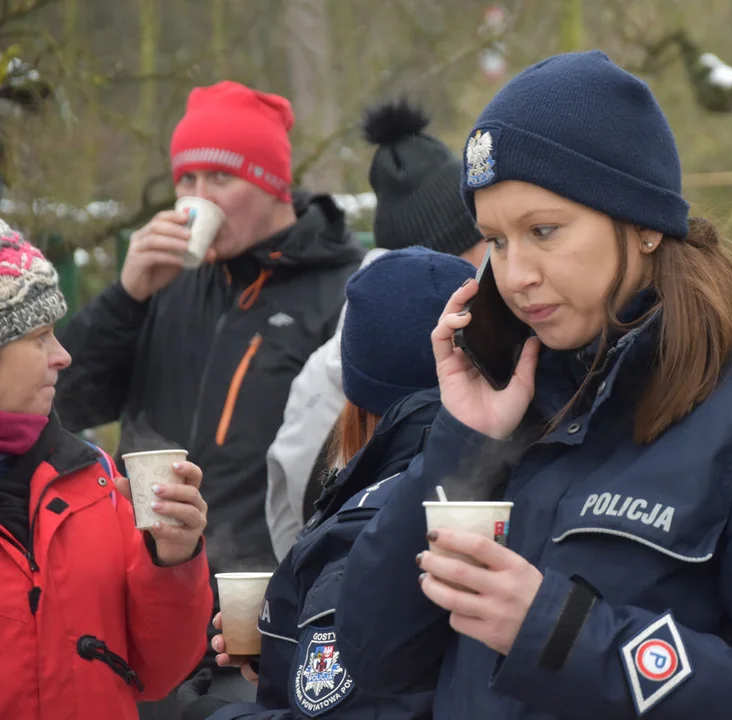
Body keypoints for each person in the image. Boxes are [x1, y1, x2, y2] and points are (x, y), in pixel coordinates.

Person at [334, 50, 732, 719]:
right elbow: (371, 660)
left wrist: (561, 633)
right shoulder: (513, 398)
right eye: (496, 241)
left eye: (543, 231)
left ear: (642, 224)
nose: (515, 276)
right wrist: (461, 443)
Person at [53, 81, 365, 715]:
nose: (195, 200)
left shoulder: (342, 290)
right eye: (185, 180)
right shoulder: (166, 284)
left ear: (273, 185)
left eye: (218, 179)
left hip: (258, 614)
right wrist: (127, 294)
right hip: (146, 601)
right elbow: (63, 403)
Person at [205, 246, 476, 719]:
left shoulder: (369, 526)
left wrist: (202, 712)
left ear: (357, 401)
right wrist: (290, 642)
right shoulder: (510, 474)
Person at [0, 224, 213, 720]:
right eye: (39, 337)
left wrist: (173, 559)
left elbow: (158, 672)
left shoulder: (92, 480)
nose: (63, 356)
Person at [264, 98, 487, 562]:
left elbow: (286, 525)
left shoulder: (322, 366)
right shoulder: (453, 348)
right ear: (452, 256)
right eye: (490, 242)